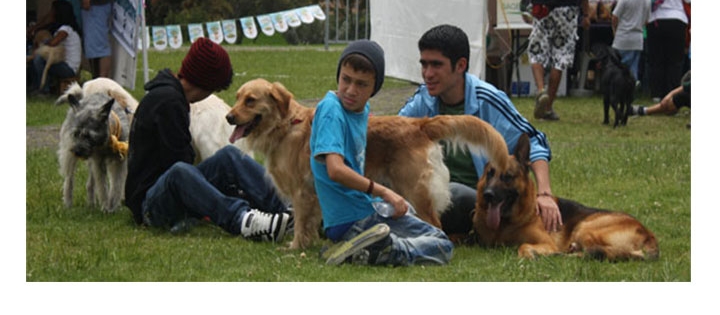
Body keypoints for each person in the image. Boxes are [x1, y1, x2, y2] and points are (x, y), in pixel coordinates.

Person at [398, 24, 562, 239]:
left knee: (450, 193)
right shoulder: (423, 99)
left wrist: (544, 194)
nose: (427, 74)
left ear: (460, 65)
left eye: (436, 65)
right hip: (432, 191)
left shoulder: (488, 100)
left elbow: (535, 141)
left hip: (477, 197)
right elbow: (397, 136)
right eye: (424, 64)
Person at [124, 38, 291, 242]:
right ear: (206, 84)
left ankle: (288, 208)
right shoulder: (168, 102)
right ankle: (244, 220)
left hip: (168, 191)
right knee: (180, 171)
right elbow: (178, 163)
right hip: (150, 207)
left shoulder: (171, 96)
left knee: (229, 155)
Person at [311, 40, 453, 266]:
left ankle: (371, 246)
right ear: (338, 76)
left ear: (374, 88)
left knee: (427, 231)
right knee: (440, 243)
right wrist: (385, 192)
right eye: (345, 79)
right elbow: (335, 170)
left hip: (363, 212)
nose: (350, 90)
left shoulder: (361, 110)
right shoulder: (331, 110)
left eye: (361, 84)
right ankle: (386, 248)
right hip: (352, 218)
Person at [524, 0, 591, 120]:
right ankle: (548, 107)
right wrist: (586, 12)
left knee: (536, 51)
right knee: (560, 56)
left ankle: (540, 90)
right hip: (567, 9)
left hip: (542, 7)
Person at [646, 0, 691, 101]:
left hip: (655, 21)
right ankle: (672, 94)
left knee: (656, 59)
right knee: (675, 60)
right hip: (677, 21)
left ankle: (656, 94)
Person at [27, 0, 82, 95]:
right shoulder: (69, 28)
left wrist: (42, 42)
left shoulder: (65, 29)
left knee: (39, 59)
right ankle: (38, 86)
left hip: (69, 68)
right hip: (67, 66)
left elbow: (53, 43)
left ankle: (44, 90)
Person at [611, 0, 651, 84]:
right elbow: (647, 20)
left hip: (622, 38)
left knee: (619, 67)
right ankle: (631, 91)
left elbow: (615, 17)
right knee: (633, 69)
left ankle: (618, 90)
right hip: (637, 39)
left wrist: (615, 30)